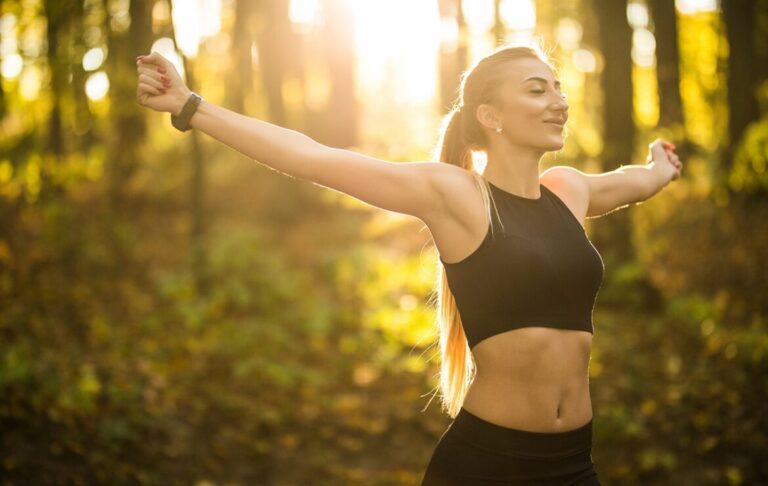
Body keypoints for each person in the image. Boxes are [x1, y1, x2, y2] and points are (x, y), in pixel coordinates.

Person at [136, 43, 682, 485]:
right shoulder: (457, 195)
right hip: (489, 465)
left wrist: (661, 166)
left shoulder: (569, 192)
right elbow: (311, 156)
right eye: (537, 90)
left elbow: (637, 181)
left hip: (574, 464)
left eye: (558, 88)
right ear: (489, 116)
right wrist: (190, 107)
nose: (558, 100)